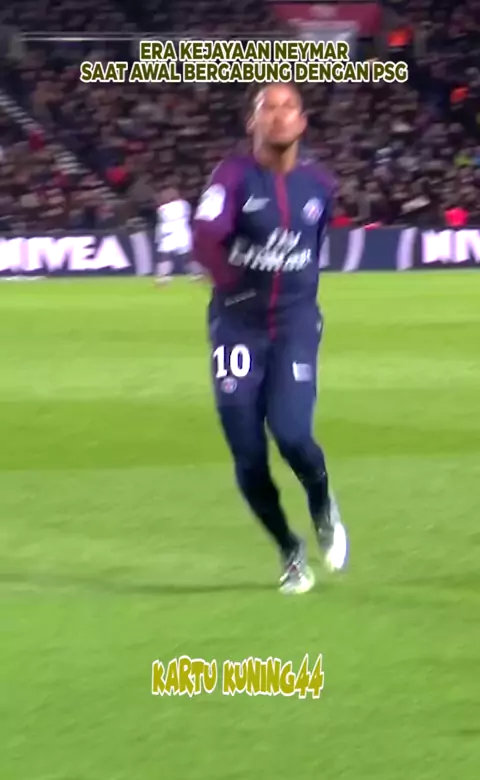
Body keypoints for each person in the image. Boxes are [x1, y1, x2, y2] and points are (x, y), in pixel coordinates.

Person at [192, 82, 348, 595]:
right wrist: (229, 283)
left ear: (302, 122)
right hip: (237, 329)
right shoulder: (231, 177)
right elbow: (204, 236)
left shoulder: (320, 185)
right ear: (252, 122)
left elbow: (315, 246)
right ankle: (288, 548)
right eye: (268, 108)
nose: (278, 115)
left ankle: (322, 503)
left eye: (288, 108)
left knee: (293, 434)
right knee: (247, 453)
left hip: (294, 326)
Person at [154, 187, 202, 283]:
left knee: (186, 255)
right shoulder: (181, 205)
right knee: (165, 255)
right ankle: (164, 275)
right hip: (171, 234)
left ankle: (196, 273)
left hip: (179, 233)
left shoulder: (178, 205)